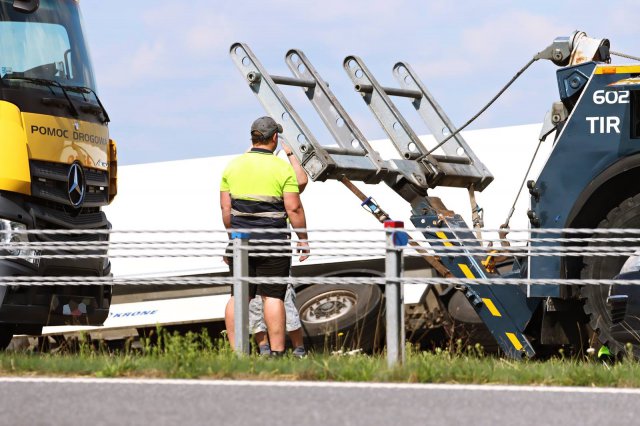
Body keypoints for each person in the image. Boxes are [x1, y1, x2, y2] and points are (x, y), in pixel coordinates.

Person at [221, 116, 310, 356]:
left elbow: (226, 210)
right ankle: (278, 353)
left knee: (238, 295)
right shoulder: (281, 168)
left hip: (240, 241)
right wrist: (302, 238)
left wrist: (232, 239)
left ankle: (237, 353)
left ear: (252, 138)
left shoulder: (233, 166)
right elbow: (293, 208)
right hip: (273, 241)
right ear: (274, 138)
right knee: (272, 296)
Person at [250, 140, 308, 357]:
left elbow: (301, 181)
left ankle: (294, 349)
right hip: (270, 245)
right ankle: (270, 350)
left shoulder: (275, 177)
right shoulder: (266, 174)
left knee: (277, 299)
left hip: (259, 245)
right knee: (264, 302)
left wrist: (289, 153)